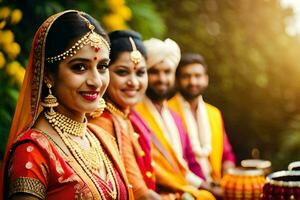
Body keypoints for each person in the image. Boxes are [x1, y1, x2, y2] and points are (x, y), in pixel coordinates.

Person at [0, 10, 132, 200]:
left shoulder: (102, 139)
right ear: (48, 75)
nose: (95, 81)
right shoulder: (32, 152)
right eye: (79, 67)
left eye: (102, 67)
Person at [135, 38, 215, 199]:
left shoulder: (175, 117)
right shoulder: (134, 114)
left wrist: (210, 186)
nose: (162, 79)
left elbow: (191, 161)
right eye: (154, 72)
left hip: (185, 190)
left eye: (167, 72)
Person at [88, 30, 160, 200]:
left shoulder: (129, 116)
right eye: (122, 72)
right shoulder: (101, 121)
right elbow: (140, 193)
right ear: (104, 72)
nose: (134, 82)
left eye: (140, 73)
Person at [168, 53, 236, 186]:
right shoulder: (167, 111)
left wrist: (227, 181)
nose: (193, 82)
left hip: (216, 184)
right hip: (185, 188)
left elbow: (227, 154)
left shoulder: (214, 113)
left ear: (206, 79)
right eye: (186, 76)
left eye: (197, 76)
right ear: (177, 80)